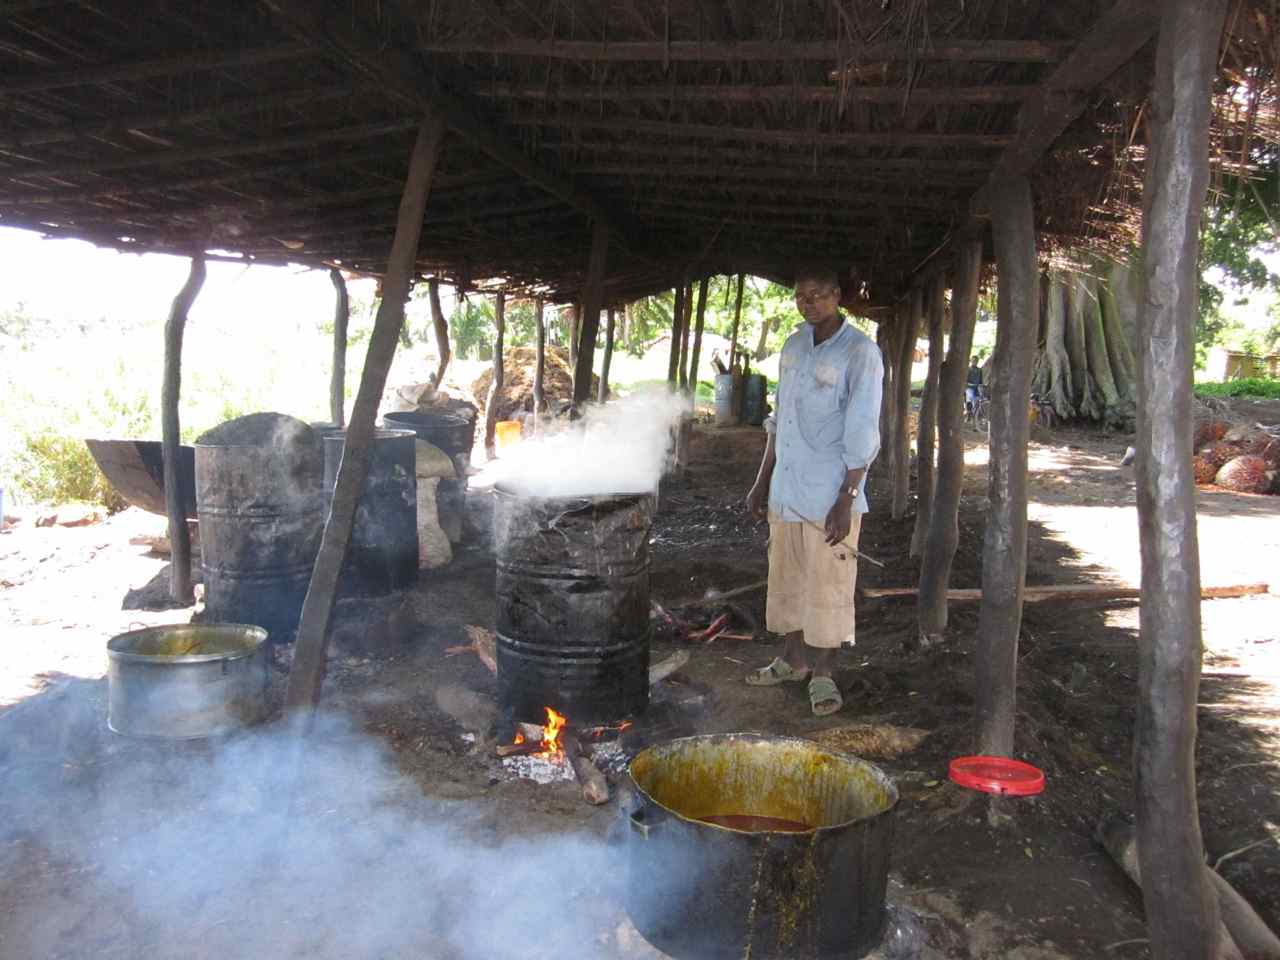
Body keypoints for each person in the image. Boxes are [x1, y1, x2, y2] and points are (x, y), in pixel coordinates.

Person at [744, 265, 883, 716]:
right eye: (802, 296)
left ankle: (823, 674)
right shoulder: (793, 346)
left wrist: (846, 498)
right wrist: (762, 481)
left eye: (819, 294)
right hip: (787, 488)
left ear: (838, 295)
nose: (810, 303)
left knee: (829, 584)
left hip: (830, 493)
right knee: (786, 579)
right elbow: (778, 421)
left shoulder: (860, 352)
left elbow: (862, 429)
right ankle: (792, 660)